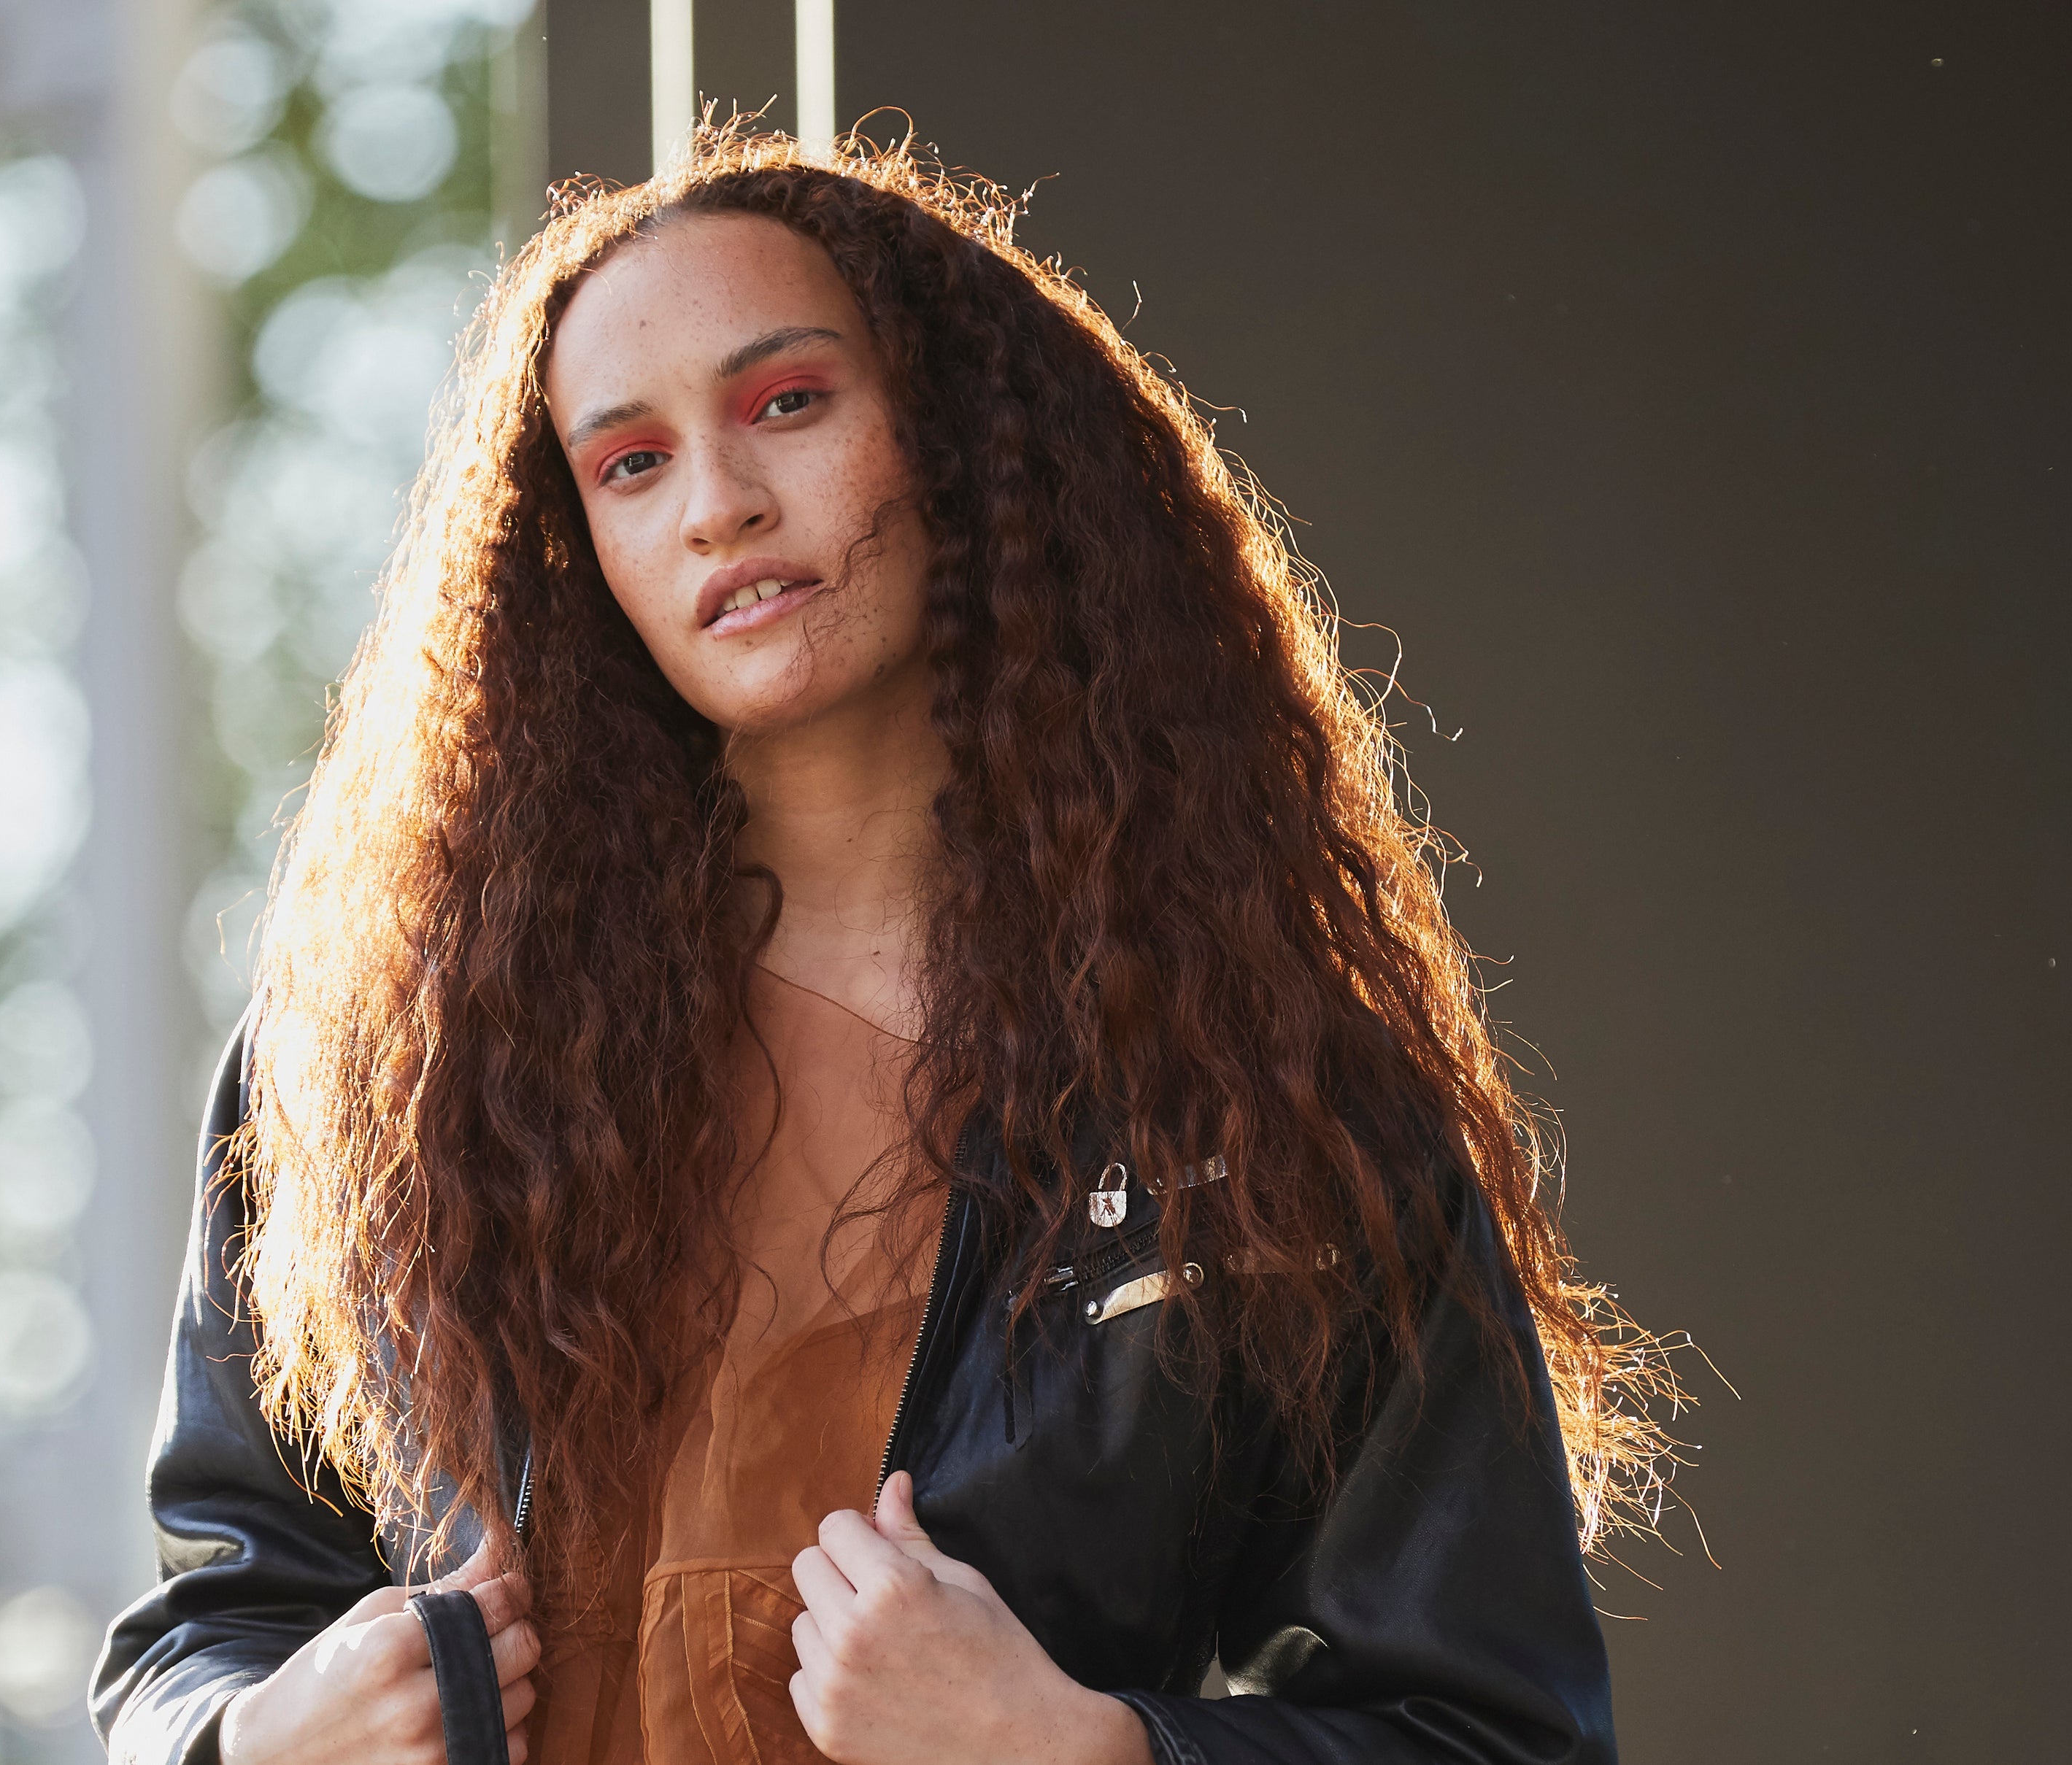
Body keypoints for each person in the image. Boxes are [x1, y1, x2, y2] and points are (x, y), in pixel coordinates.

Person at [93, 125, 1674, 1765]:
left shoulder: (1250, 1090)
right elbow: (207, 1621)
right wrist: (254, 1738)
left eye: (789, 403)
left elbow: (1497, 1736)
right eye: (629, 462)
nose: (718, 505)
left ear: (965, 441)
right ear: (578, 553)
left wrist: (1087, 1752)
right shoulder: (382, 1075)